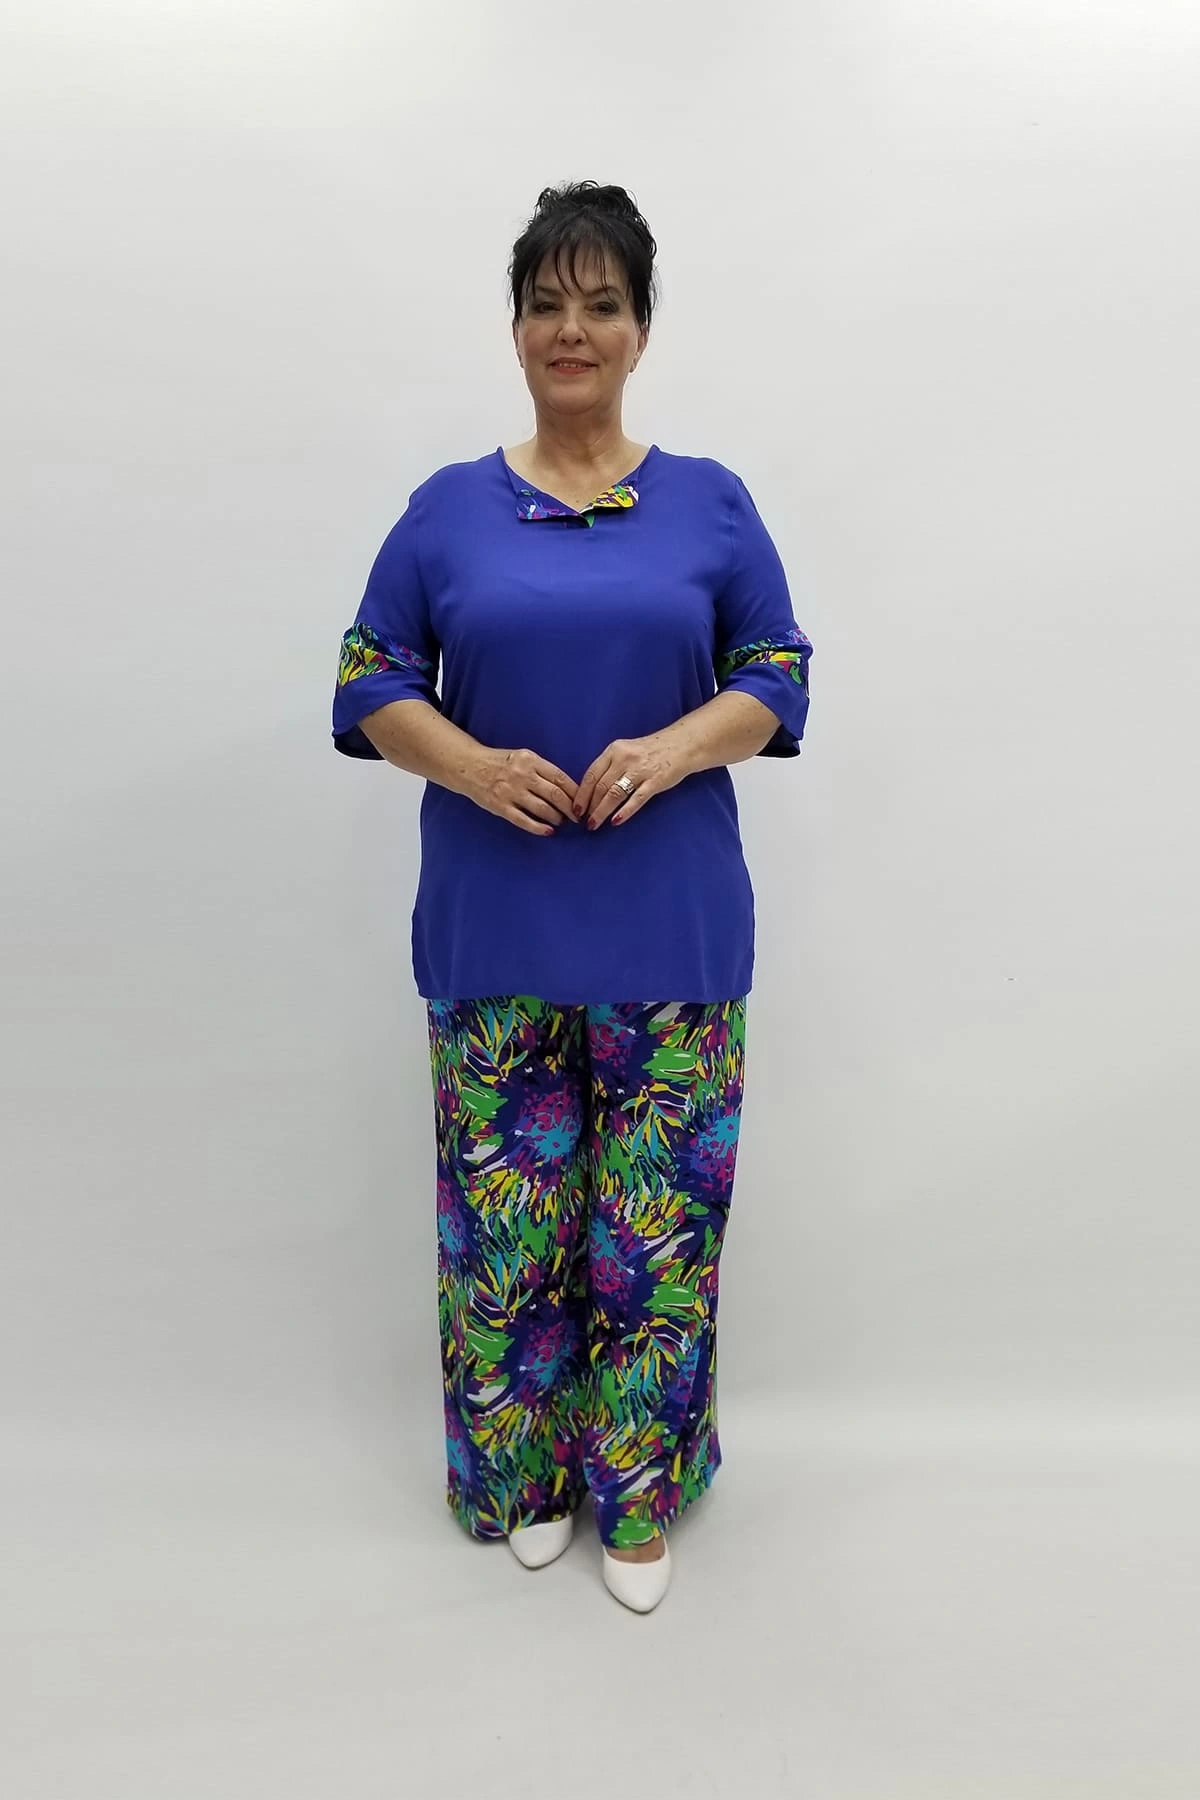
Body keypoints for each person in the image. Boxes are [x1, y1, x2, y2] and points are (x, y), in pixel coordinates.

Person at [331, 180, 814, 1614]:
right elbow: (368, 677)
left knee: (653, 1238)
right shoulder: (447, 509)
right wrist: (475, 766)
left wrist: (673, 748)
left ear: (641, 328)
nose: (572, 328)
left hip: (672, 929)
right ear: (517, 327)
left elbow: (778, 671)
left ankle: (639, 1493)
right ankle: (527, 1481)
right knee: (509, 1236)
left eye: (601, 303)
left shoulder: (709, 501)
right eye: (546, 302)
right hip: (496, 928)